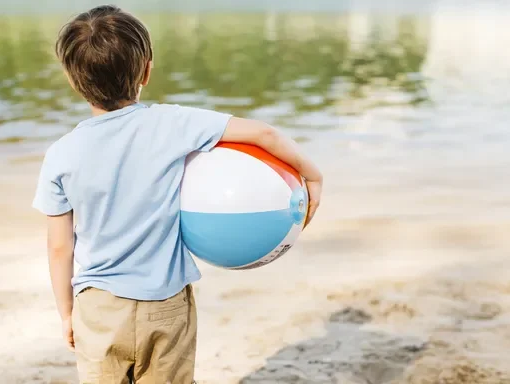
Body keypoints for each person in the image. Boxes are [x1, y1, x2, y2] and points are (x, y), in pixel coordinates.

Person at [31, 5, 323, 383]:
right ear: (146, 71)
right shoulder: (172, 123)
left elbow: (59, 247)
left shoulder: (61, 154)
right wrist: (311, 175)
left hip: (99, 307)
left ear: (73, 81)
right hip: (165, 303)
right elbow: (264, 135)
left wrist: (67, 313)